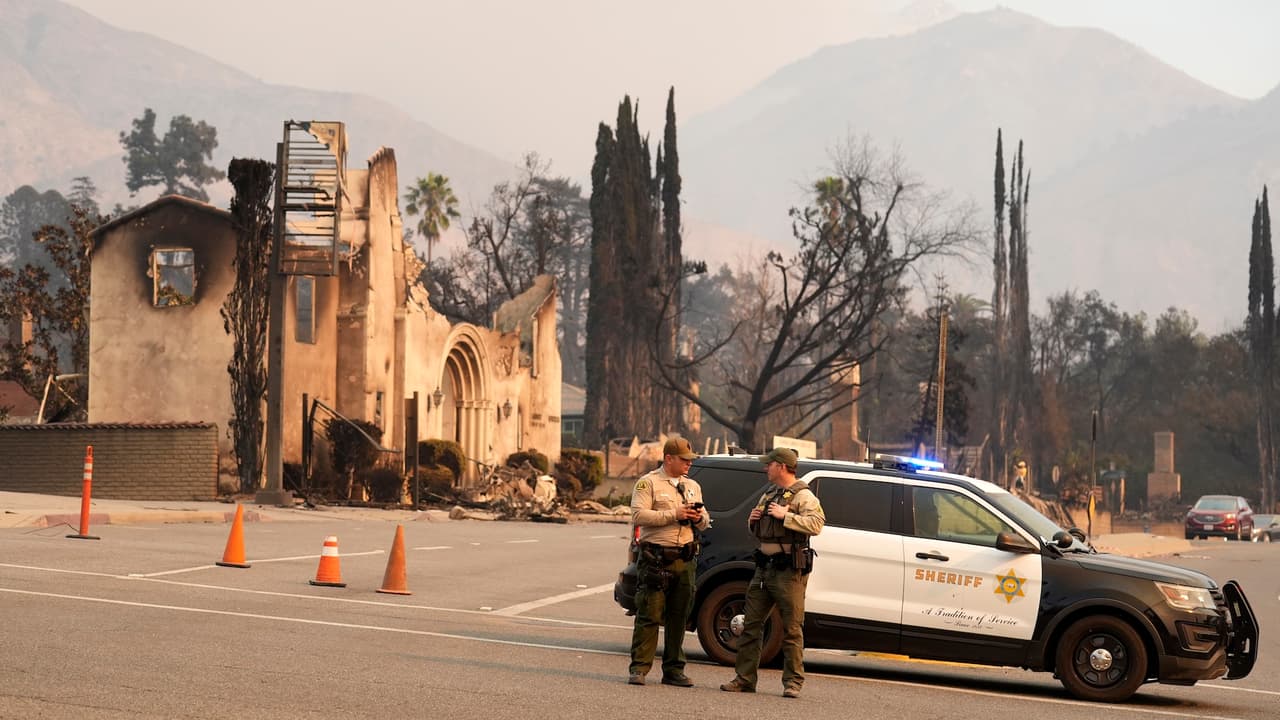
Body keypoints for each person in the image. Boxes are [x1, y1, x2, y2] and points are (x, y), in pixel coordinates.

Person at [720, 447, 824, 699]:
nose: (765, 468)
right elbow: (759, 530)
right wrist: (753, 520)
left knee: (791, 628)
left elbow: (816, 523)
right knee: (751, 624)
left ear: (782, 466)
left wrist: (786, 515)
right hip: (764, 568)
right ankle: (744, 678)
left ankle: (793, 682)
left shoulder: (803, 496)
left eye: (769, 464)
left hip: (788, 570)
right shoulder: (769, 494)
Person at [627, 436, 710, 687]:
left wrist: (696, 518)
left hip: (685, 559)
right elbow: (638, 515)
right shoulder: (648, 483)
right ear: (669, 459)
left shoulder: (693, 486)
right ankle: (639, 668)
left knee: (679, 616)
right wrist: (674, 514)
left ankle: (673, 670)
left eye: (690, 460)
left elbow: (706, 521)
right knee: (649, 613)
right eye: (684, 460)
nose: (688, 464)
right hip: (656, 558)